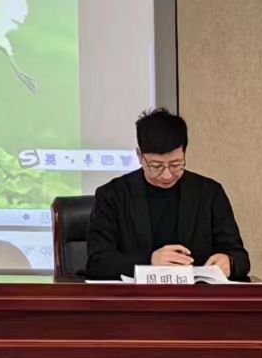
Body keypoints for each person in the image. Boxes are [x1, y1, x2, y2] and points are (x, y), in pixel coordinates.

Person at [84, 108, 250, 281]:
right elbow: (97, 262)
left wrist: (229, 261)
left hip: (195, 294)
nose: (167, 175)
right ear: (139, 156)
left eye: (176, 164)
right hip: (135, 296)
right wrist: (149, 261)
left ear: (184, 152)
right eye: (156, 166)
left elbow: (240, 257)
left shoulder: (209, 194)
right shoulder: (112, 196)